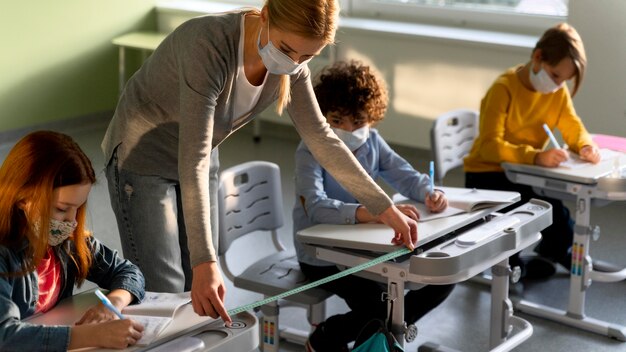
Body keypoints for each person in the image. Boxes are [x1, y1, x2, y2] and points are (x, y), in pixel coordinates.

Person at [102, 0, 418, 324]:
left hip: (200, 154)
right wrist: (204, 261)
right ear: (265, 15)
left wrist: (384, 208)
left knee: (199, 285)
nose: (294, 62)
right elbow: (192, 157)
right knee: (166, 287)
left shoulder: (292, 66)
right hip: (144, 158)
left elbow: (322, 139)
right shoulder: (208, 46)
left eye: (307, 56)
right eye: (287, 48)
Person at [292, 61, 454, 352]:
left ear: (372, 118)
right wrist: (378, 213)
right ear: (322, 116)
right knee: (379, 304)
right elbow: (315, 208)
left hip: (362, 249)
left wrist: (430, 192)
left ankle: (381, 334)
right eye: (337, 120)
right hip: (321, 256)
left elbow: (404, 174)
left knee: (441, 281)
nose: (348, 130)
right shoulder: (310, 150)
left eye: (358, 122)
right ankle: (327, 337)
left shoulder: (373, 143)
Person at [463, 22, 601, 279]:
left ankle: (551, 254)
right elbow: (490, 147)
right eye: (556, 76)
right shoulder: (503, 88)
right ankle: (516, 267)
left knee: (559, 215)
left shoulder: (557, 92)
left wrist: (584, 145)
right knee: (533, 214)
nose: (559, 85)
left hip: (523, 172)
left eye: (565, 80)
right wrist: (535, 156)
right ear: (537, 57)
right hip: (487, 175)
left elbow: (572, 125)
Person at [0, 131, 145, 351]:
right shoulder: (4, 253)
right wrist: (91, 336)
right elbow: (5, 336)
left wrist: (112, 304)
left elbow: (129, 273)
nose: (71, 221)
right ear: (22, 198)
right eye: (61, 209)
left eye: (78, 208)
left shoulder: (66, 242)